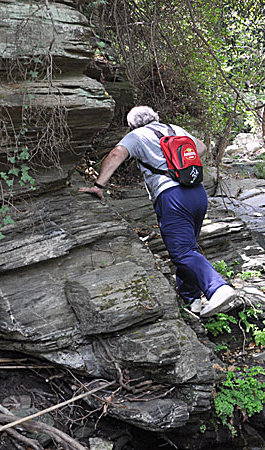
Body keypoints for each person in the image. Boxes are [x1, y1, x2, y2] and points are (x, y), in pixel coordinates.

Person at [80, 106, 236, 317]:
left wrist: (99, 186)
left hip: (172, 197)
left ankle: (218, 288)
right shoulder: (176, 129)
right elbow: (200, 148)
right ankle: (192, 298)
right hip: (197, 194)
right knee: (188, 248)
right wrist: (178, 165)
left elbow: (116, 154)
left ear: (131, 125)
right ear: (156, 118)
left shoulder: (137, 136)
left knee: (181, 252)